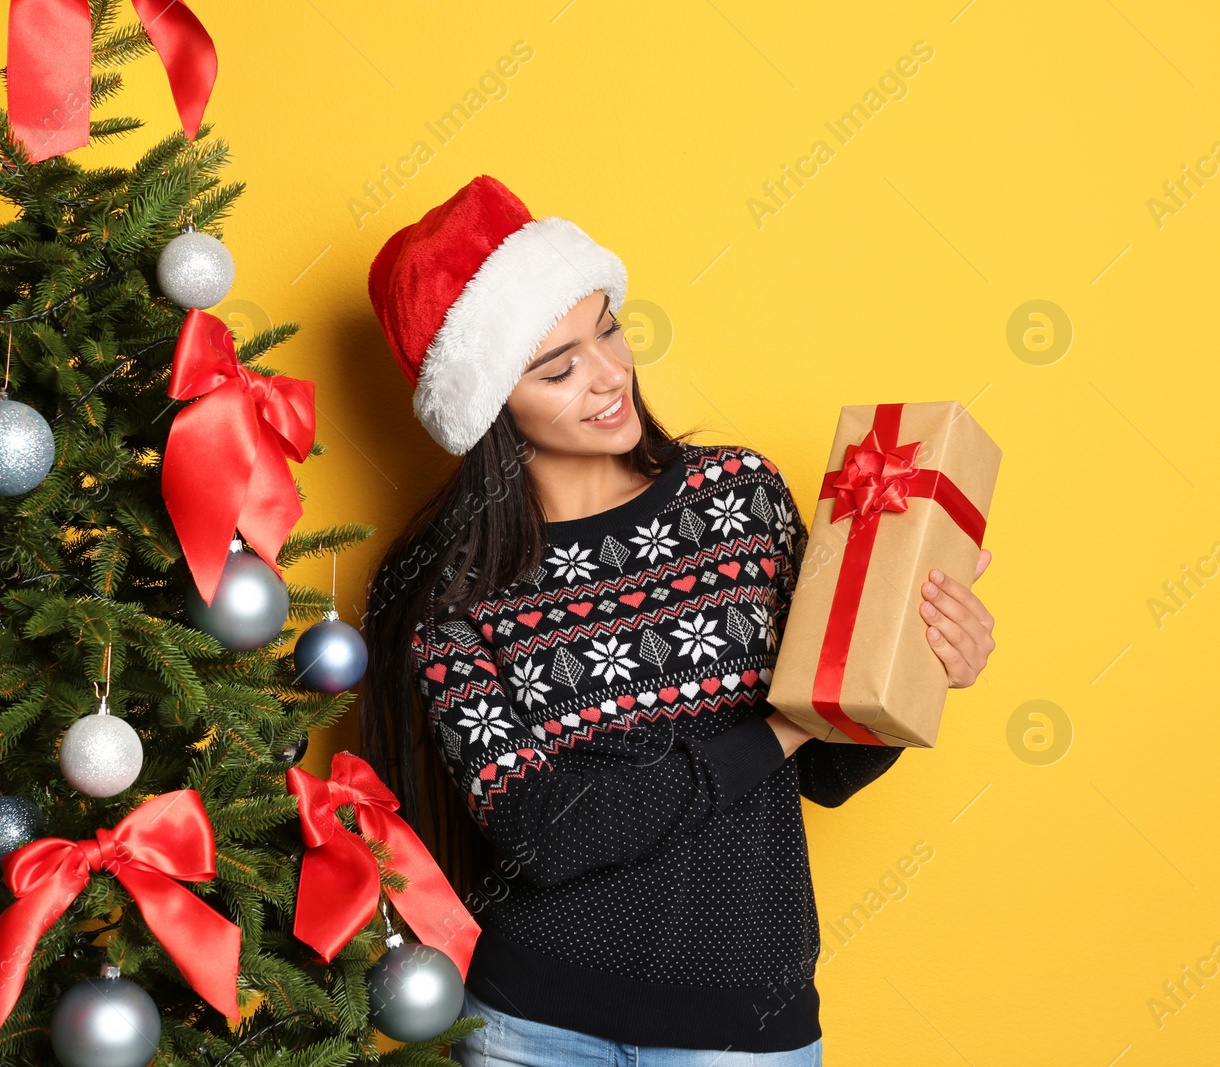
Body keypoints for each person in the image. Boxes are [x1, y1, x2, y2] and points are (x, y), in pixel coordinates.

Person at [358, 175, 995, 1067]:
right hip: (526, 1025)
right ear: (490, 400)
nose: (610, 376)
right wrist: (779, 725)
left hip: (739, 1028)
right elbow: (549, 829)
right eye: (559, 367)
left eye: (606, 329)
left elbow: (832, 770)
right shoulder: (447, 590)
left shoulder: (738, 499)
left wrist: (913, 660)